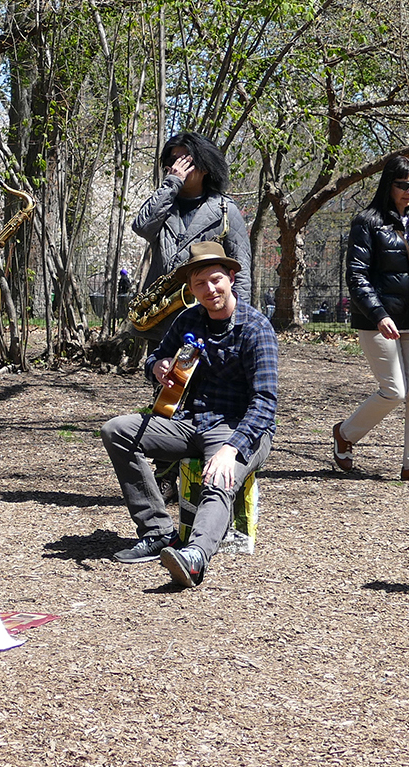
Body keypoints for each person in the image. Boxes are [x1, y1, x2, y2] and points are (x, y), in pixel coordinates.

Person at [100, 241, 277, 588]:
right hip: (189, 422)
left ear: (230, 278)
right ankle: (158, 533)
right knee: (116, 430)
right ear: (191, 288)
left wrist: (232, 449)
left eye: (216, 280)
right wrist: (158, 367)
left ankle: (195, 557)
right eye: (200, 284)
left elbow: (265, 403)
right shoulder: (188, 318)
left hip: (240, 429)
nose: (210, 290)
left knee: (218, 479)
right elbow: (157, 358)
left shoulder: (256, 329)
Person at [331, 155, 409, 485]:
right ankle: (345, 433)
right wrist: (378, 314)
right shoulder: (367, 221)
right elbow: (357, 275)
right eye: (402, 185)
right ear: (387, 185)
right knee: (394, 391)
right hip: (378, 320)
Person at [128, 132, 252, 344]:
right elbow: (142, 226)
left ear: (204, 166)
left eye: (185, 161)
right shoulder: (163, 204)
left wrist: (238, 321)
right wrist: (171, 184)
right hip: (163, 320)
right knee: (163, 375)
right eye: (172, 161)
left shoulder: (226, 210)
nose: (177, 167)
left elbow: (241, 270)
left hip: (208, 317)